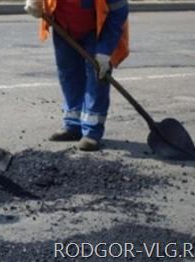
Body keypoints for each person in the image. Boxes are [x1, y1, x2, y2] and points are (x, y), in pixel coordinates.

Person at [25, 0, 129, 151]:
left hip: (97, 30)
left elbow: (119, 12)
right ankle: (73, 125)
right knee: (68, 74)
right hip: (63, 26)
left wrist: (105, 51)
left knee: (97, 77)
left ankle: (92, 132)